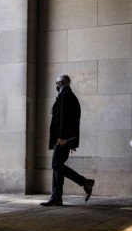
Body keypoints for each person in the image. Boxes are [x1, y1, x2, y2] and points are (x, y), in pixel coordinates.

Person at [41, 75, 95, 206]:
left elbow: (65, 119)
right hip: (64, 138)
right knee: (57, 166)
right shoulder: (66, 95)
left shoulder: (65, 95)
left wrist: (63, 138)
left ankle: (84, 182)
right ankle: (56, 197)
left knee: (56, 165)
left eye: (56, 82)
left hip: (62, 139)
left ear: (60, 83)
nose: (56, 85)